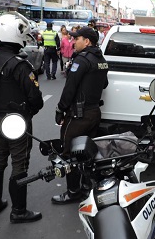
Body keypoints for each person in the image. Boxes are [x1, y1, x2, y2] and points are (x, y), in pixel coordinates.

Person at [0, 12, 44, 223]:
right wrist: (30, 112)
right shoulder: (20, 65)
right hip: (16, 122)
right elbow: (35, 98)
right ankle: (18, 211)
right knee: (20, 165)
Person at [52, 26, 108, 204]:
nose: (73, 41)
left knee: (69, 153)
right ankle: (86, 187)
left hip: (78, 115)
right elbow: (104, 83)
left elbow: (70, 88)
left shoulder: (81, 60)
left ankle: (73, 192)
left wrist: (60, 109)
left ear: (87, 41)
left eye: (77, 39)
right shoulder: (101, 59)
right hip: (93, 113)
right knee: (87, 152)